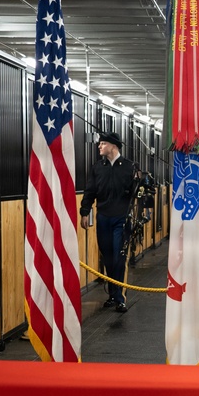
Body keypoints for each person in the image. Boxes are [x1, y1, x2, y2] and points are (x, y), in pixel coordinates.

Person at [80, 131, 137, 313]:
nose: (99, 146)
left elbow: (136, 193)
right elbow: (90, 192)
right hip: (103, 217)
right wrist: (85, 211)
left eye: (102, 143)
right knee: (108, 257)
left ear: (113, 146)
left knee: (119, 257)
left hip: (122, 217)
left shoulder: (129, 167)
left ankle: (120, 298)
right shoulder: (97, 168)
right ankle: (113, 295)